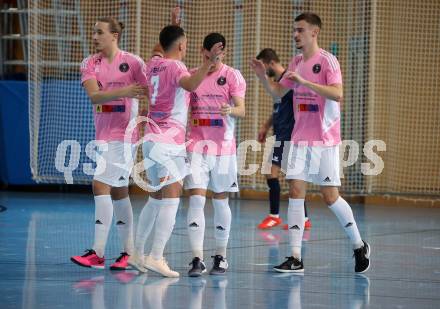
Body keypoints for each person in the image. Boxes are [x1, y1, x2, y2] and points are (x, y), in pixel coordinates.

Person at [251, 12, 370, 273]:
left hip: (324, 140)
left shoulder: (327, 61)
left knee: (330, 197)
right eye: (295, 30)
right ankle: (295, 257)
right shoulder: (294, 61)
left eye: (300, 30)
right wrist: (262, 77)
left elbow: (337, 94)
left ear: (314, 32)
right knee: (295, 192)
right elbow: (280, 92)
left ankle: (358, 244)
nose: (296, 34)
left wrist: (305, 82)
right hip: (299, 139)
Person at [127, 22, 223, 277]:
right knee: (171, 198)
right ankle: (156, 256)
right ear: (181, 46)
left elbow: (163, 45)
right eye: (185, 44)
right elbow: (191, 84)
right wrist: (210, 61)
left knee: (155, 197)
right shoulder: (176, 66)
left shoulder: (153, 64)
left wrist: (173, 24)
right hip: (169, 142)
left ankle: (136, 253)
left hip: (150, 140)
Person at [71, 17, 148, 270]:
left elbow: (150, 92)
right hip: (103, 133)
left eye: (99, 32)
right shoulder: (89, 63)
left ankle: (98, 253)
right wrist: (123, 92)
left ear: (114, 35)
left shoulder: (134, 62)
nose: (94, 37)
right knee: (119, 191)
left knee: (100, 183)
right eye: (94, 32)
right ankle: (128, 253)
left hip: (126, 134)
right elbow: (94, 96)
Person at [184, 32, 246, 277]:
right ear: (203, 52)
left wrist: (231, 109)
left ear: (224, 53)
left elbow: (241, 109)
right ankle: (196, 258)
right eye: (209, 55)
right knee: (197, 199)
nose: (213, 60)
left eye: (218, 55)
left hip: (223, 149)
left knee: (220, 200)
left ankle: (221, 255)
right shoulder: (192, 75)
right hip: (196, 146)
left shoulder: (232, 76)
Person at [255, 48, 311, 231]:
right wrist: (266, 125)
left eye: (263, 67)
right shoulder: (280, 83)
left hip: (289, 134)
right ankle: (304, 218)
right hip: (280, 133)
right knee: (290, 178)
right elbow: (277, 109)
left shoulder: (288, 80)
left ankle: (274, 216)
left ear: (270, 63)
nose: (263, 72)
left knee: (275, 173)